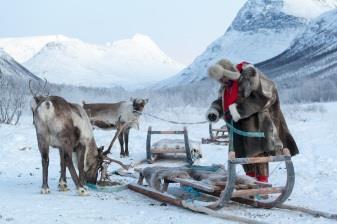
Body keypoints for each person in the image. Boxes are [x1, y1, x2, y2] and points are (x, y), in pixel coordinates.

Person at [206, 59, 299, 183]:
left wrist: (239, 110)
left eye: (223, 78)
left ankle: (262, 184)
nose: (221, 81)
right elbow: (222, 102)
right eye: (219, 79)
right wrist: (215, 111)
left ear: (228, 73)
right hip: (238, 129)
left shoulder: (250, 76)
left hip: (257, 126)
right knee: (243, 156)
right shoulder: (226, 87)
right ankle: (250, 184)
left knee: (258, 155)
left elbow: (265, 97)